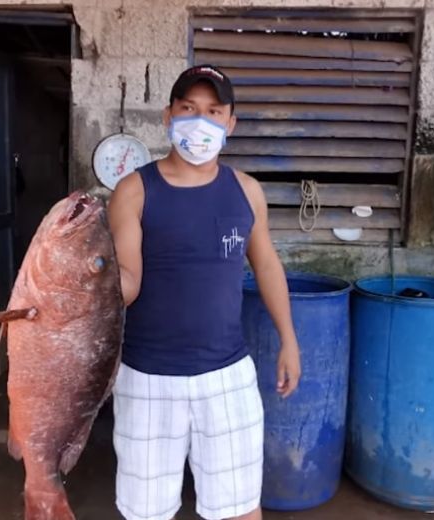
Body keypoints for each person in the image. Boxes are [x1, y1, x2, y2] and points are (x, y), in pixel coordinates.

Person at [108, 64, 302, 520]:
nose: (202, 121)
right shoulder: (134, 191)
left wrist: (289, 339)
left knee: (239, 510)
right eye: (189, 108)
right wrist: (73, 290)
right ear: (168, 115)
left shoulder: (247, 191)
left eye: (214, 111)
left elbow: (267, 264)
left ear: (231, 123)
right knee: (146, 512)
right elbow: (127, 281)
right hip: (148, 378)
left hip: (227, 376)